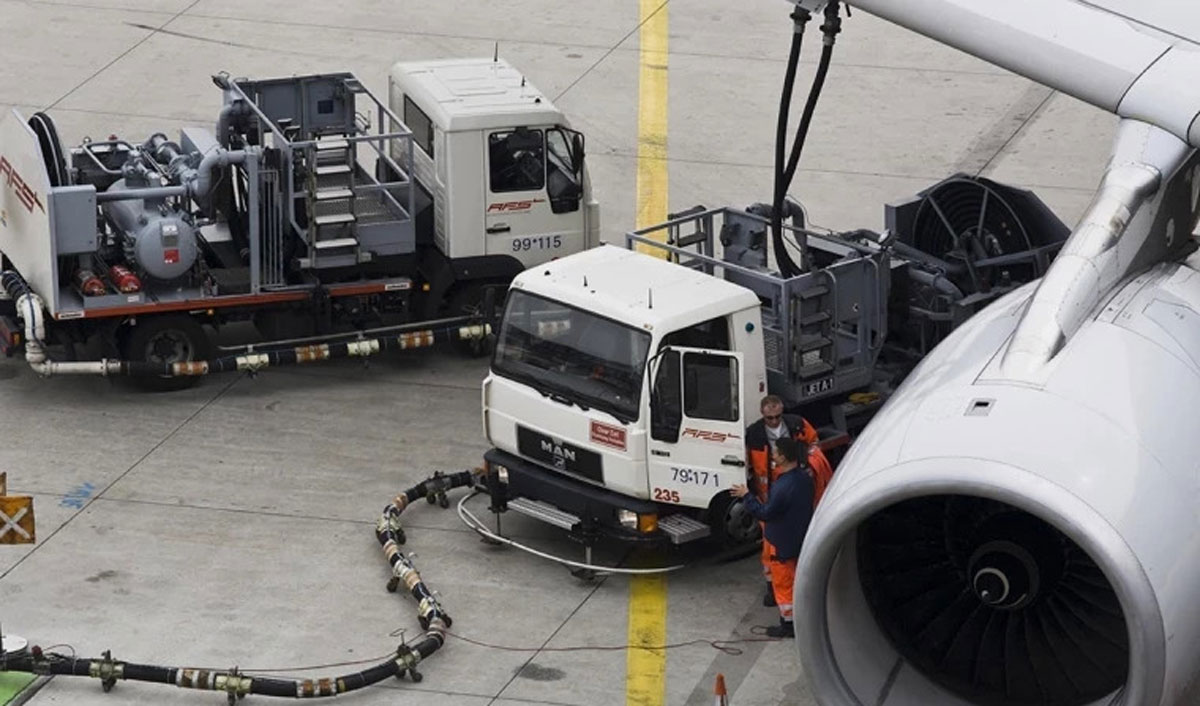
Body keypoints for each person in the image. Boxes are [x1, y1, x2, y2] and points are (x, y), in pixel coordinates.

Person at [745, 395, 832, 606]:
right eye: (770, 418)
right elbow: (747, 462)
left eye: (777, 416)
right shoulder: (754, 434)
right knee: (770, 549)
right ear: (763, 415)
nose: (774, 421)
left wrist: (808, 464)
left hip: (792, 490)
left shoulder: (797, 424)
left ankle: (797, 586)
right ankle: (772, 587)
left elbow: (814, 443)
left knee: (795, 542)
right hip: (768, 494)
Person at [731, 437, 814, 638]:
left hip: (781, 543)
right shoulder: (804, 479)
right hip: (797, 539)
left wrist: (746, 496)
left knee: (784, 586)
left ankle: (788, 625)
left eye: (776, 452)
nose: (773, 455)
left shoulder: (782, 486)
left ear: (783, 457)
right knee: (792, 579)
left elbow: (765, 513)